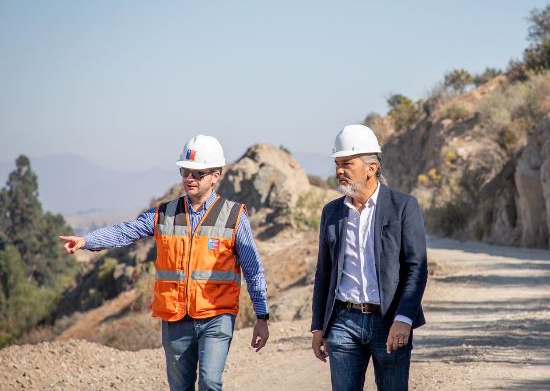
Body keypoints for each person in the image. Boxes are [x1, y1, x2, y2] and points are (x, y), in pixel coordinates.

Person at [60, 134, 270, 391]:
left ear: (216, 175)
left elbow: (253, 269)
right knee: (179, 387)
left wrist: (262, 315)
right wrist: (87, 240)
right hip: (176, 318)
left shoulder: (234, 217)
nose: (189, 179)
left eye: (198, 173)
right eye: (185, 171)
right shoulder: (163, 214)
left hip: (217, 316)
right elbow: (126, 231)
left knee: (210, 381)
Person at [311, 124, 428, 391]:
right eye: (337, 163)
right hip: (343, 322)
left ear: (371, 168)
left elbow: (416, 268)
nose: (339, 170)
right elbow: (324, 273)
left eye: (347, 163)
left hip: (389, 321)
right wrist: (318, 325)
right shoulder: (332, 212)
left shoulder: (403, 206)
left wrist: (404, 319)